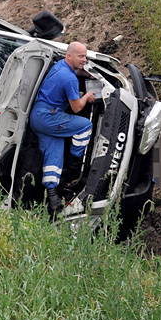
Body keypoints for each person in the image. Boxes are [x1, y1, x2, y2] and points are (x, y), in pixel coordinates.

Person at [30, 41, 96, 218]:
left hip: (38, 118)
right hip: (49, 118)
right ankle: (75, 167)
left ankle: (52, 198)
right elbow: (76, 108)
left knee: (54, 155)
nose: (84, 59)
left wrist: (85, 72)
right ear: (69, 55)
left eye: (85, 56)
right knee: (85, 126)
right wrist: (87, 96)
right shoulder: (69, 79)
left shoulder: (60, 66)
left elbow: (75, 71)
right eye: (81, 56)